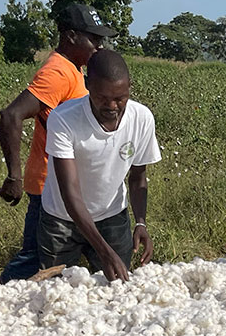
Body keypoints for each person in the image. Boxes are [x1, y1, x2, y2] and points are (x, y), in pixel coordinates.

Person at [0, 3, 114, 282]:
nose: (98, 46)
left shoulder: (73, 69)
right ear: (71, 36)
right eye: (93, 39)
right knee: (36, 262)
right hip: (51, 187)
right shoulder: (58, 72)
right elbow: (11, 115)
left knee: (83, 258)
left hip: (68, 186)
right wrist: (14, 176)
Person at [38, 50, 159, 282]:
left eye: (120, 98)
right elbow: (70, 194)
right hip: (62, 221)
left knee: (116, 292)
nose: (113, 105)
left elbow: (138, 177)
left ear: (129, 88)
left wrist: (141, 222)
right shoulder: (64, 120)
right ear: (88, 86)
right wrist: (104, 252)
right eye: (103, 98)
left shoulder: (142, 118)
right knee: (55, 294)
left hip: (111, 217)